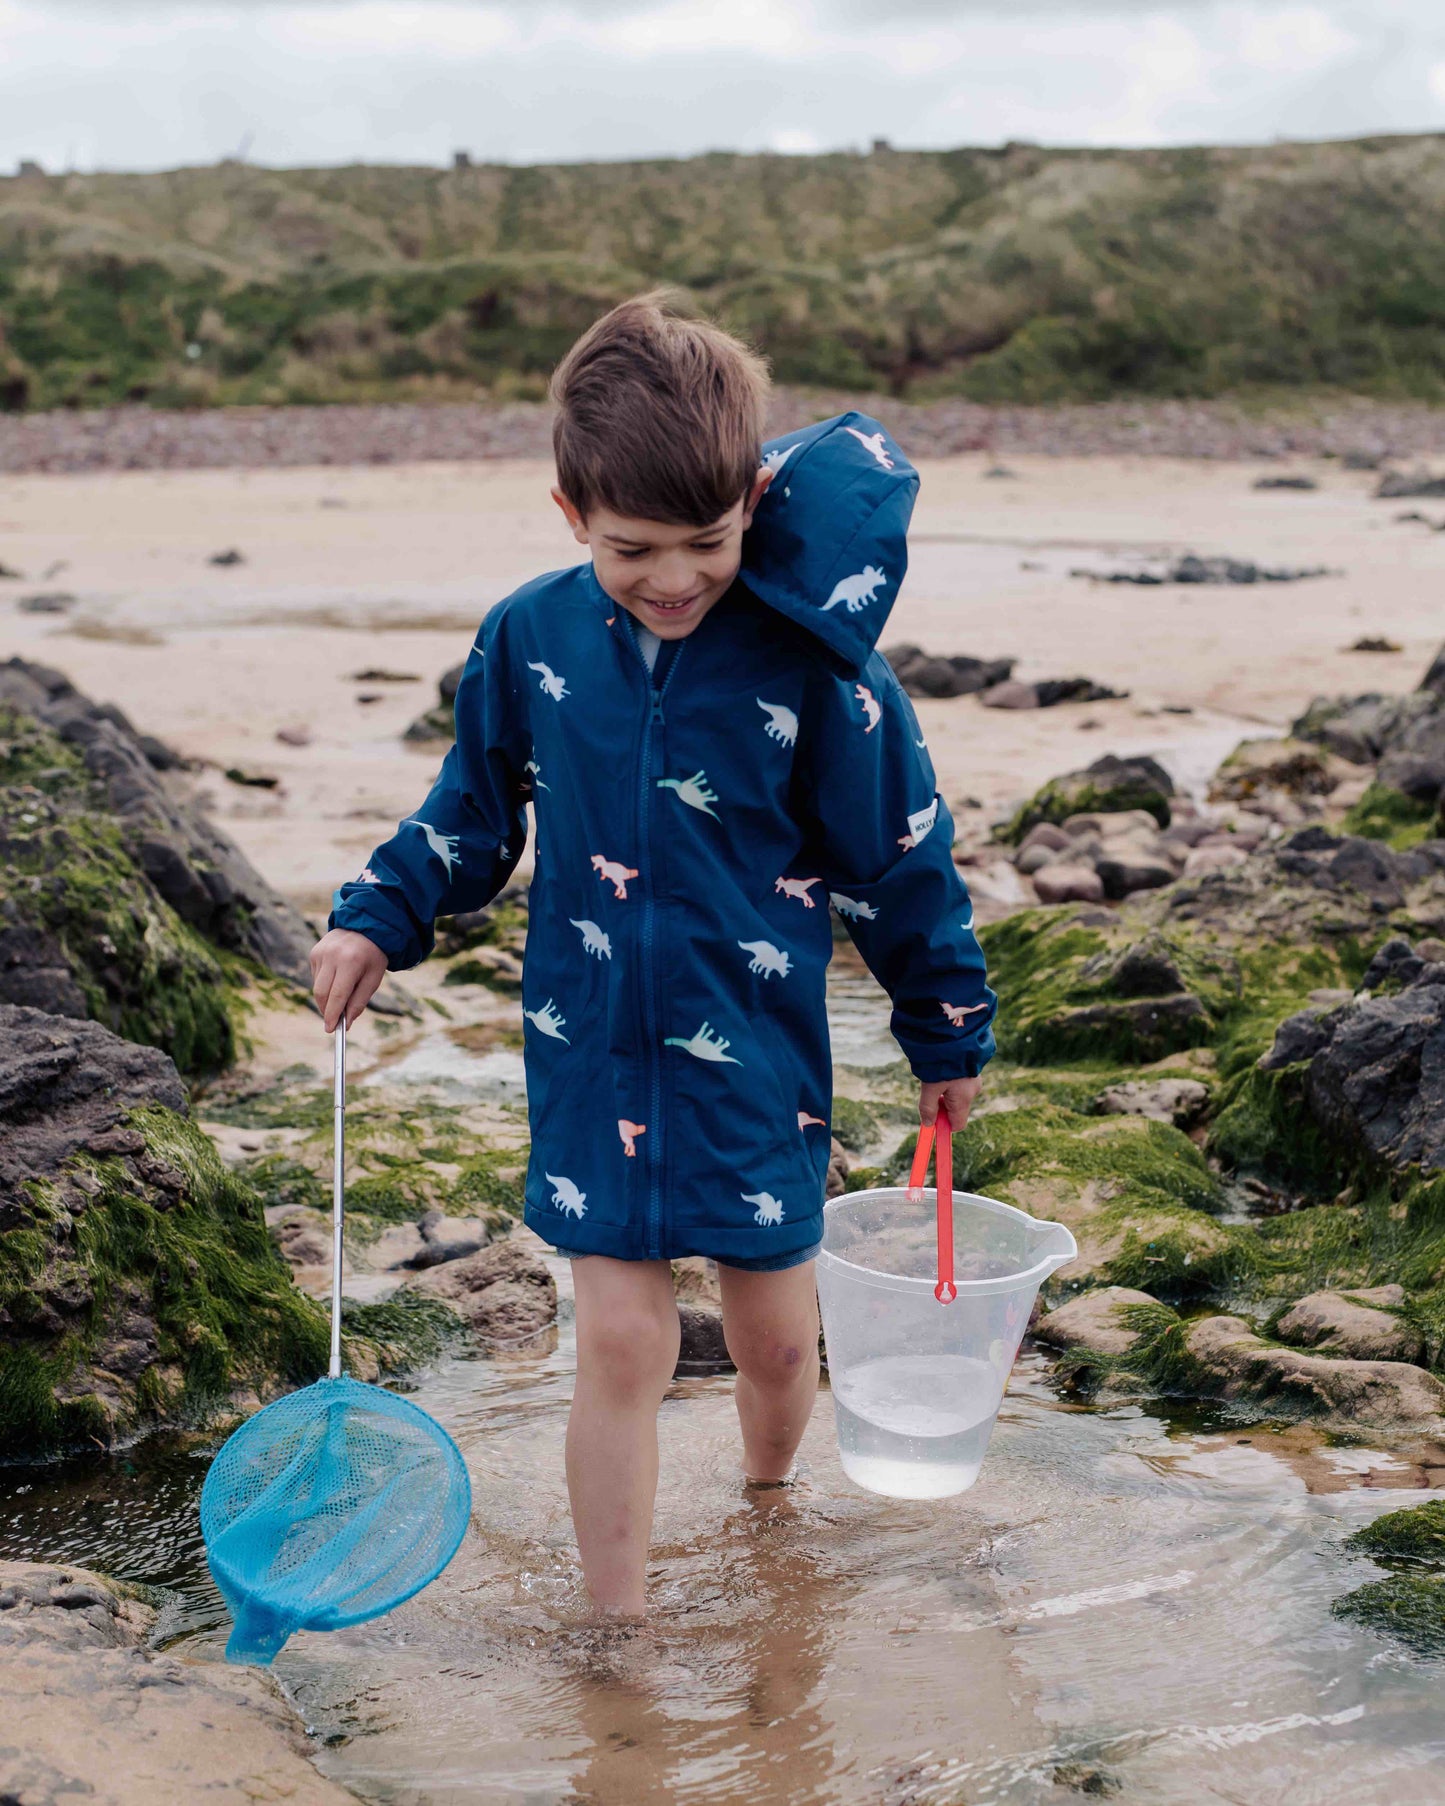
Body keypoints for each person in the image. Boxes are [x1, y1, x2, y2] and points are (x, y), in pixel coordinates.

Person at [309, 290, 996, 1616]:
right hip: (589, 1048)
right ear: (570, 514)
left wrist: (945, 1031)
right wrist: (373, 914)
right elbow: (470, 811)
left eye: (706, 541)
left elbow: (900, 860)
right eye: (632, 547)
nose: (673, 577)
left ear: (750, 497)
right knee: (620, 1339)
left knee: (776, 1340)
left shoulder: (816, 672)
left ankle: (764, 1495)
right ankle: (613, 1630)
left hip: (754, 1057)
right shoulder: (530, 636)